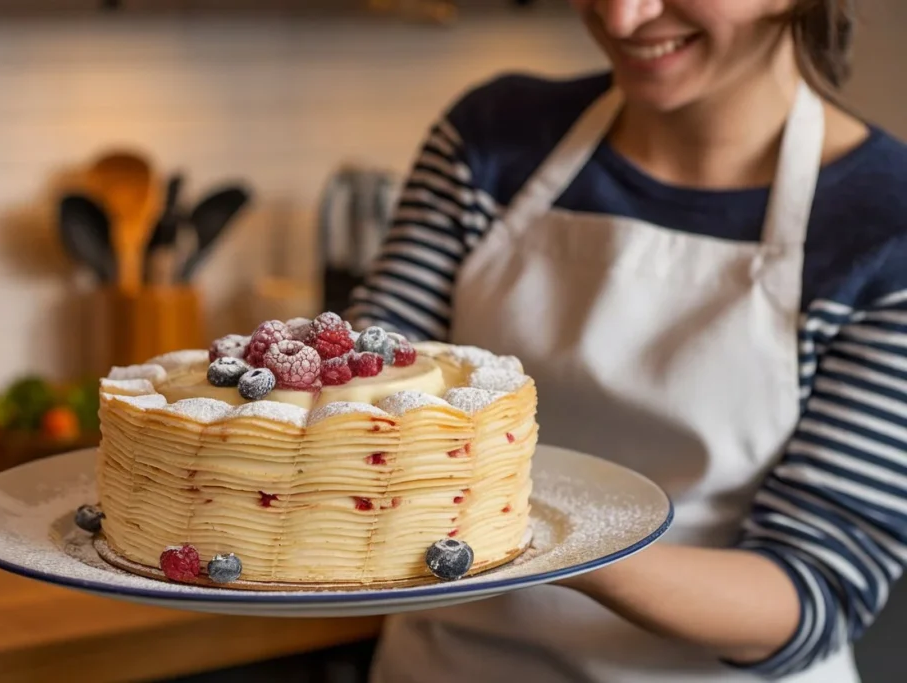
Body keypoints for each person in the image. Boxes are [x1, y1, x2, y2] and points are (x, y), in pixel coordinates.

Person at [347, 1, 907, 681]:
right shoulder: (492, 139)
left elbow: (813, 588)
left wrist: (559, 544)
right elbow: (366, 402)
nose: (620, 16)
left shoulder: (885, 224)